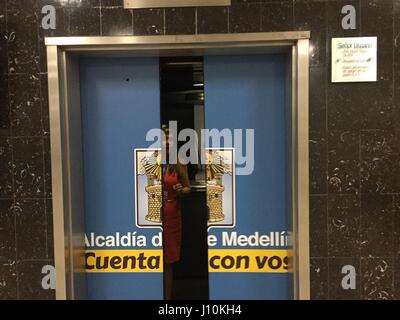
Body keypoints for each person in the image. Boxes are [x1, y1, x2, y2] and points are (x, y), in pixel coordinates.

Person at [162, 127, 190, 300]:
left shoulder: (179, 161)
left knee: (168, 260)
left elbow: (188, 188)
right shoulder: (150, 160)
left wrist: (181, 190)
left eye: (169, 139)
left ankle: (167, 298)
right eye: (163, 138)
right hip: (150, 214)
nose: (166, 142)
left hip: (171, 214)